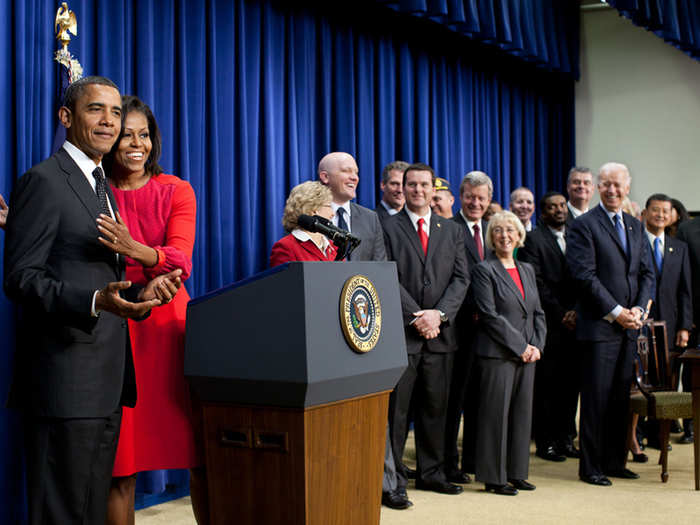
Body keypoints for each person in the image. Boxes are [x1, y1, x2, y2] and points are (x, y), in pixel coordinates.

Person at [3, 76, 182, 525]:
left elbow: (94, 271)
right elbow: (21, 278)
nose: (109, 121)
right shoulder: (44, 180)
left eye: (116, 112)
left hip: (105, 381)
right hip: (64, 381)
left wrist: (143, 292)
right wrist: (95, 300)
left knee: (88, 510)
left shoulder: (99, 183)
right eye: (95, 110)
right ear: (66, 117)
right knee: (63, 512)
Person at [97, 95, 205, 525]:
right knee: (119, 468)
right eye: (126, 135)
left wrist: (132, 249)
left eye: (144, 134)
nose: (136, 144)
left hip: (171, 333)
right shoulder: (94, 191)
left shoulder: (176, 189)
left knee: (198, 457)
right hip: (116, 331)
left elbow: (181, 260)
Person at [383, 162, 469, 496]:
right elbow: (386, 273)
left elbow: (462, 279)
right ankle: (394, 482)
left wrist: (439, 315)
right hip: (403, 337)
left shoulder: (451, 230)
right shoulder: (386, 226)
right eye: (412, 185)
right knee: (398, 415)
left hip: (441, 337)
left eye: (424, 185)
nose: (418, 190)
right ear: (402, 189)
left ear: (434, 190)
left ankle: (432, 474)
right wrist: (417, 316)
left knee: (436, 410)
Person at [567, 162, 655, 486]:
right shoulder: (585, 225)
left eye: (618, 185)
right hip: (599, 327)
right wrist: (616, 311)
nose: (612, 190)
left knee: (620, 397)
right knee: (596, 399)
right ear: (598, 188)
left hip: (630, 326)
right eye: (606, 184)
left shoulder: (635, 225)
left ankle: (615, 461)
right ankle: (591, 467)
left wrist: (638, 311)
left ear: (628, 187)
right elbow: (584, 276)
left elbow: (647, 273)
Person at [471, 211, 545, 495]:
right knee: (495, 416)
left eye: (510, 230)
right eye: (499, 231)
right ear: (491, 237)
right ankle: (494, 477)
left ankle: (517, 473)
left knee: (521, 415)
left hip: (528, 355)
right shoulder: (484, 270)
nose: (504, 236)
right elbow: (489, 315)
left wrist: (536, 346)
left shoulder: (526, 269)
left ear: (518, 236)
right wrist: (521, 346)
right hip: (498, 354)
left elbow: (537, 311)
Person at [518, 192, 580, 462]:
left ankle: (567, 438)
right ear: (542, 213)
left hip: (578, 323)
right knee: (547, 387)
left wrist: (576, 310)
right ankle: (546, 442)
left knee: (571, 386)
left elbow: (584, 275)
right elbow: (536, 281)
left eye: (562, 206)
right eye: (552, 207)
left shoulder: (577, 236)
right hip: (550, 323)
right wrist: (561, 312)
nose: (559, 210)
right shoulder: (534, 239)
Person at [445, 170, 493, 481]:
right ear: (461, 197)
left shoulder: (495, 230)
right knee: (454, 400)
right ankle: (449, 462)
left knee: (480, 399)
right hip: (457, 329)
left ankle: (474, 461)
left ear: (489, 200)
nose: (475, 203)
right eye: (470, 197)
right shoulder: (447, 229)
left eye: (481, 198)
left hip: (489, 332)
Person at [317, 151, 386, 261]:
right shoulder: (309, 215)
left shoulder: (370, 218)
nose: (355, 178)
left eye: (356, 173)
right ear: (325, 177)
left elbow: (379, 266)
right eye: (346, 171)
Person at [269, 181, 338, 265]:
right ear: (313, 209)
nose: (333, 213)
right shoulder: (286, 247)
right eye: (329, 206)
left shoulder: (333, 248)